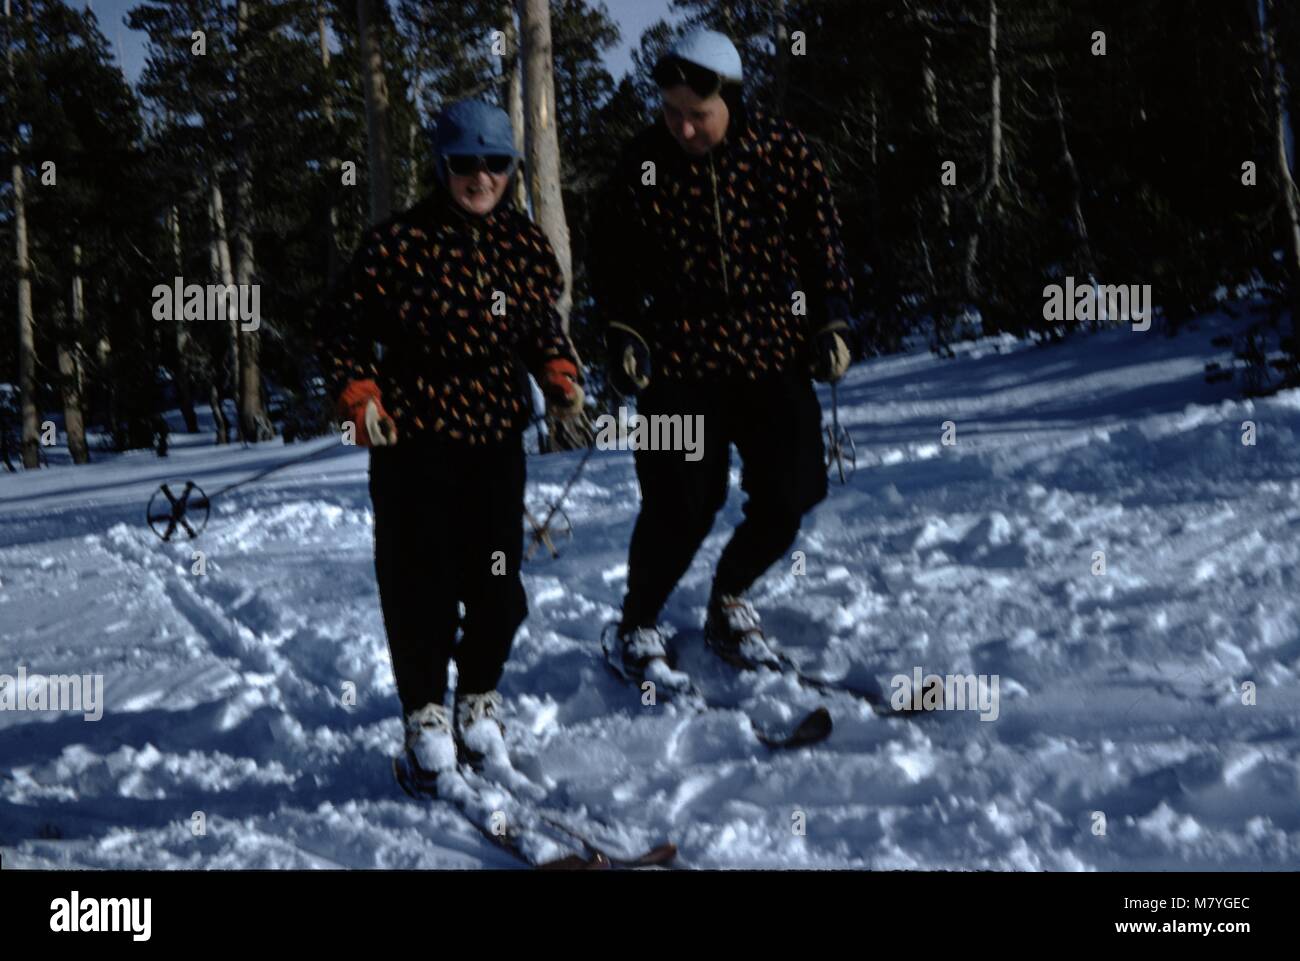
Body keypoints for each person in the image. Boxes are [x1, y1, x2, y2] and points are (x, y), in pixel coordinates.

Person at [317, 100, 584, 790]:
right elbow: (339, 328)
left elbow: (539, 327)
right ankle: (426, 717)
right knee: (419, 583)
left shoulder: (525, 245)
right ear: (443, 165)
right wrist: (358, 393)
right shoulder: (396, 243)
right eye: (466, 163)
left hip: (495, 431)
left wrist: (557, 371)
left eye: (496, 163)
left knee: (497, 583)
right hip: (415, 433)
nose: (481, 177)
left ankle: (479, 700)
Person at [591, 29, 854, 685]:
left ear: (730, 99)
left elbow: (822, 243)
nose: (683, 127)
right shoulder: (642, 163)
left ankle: (729, 595)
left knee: (794, 489)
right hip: (678, 356)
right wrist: (623, 331)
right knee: (681, 499)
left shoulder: (781, 150)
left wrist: (832, 320)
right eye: (671, 111)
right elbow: (611, 259)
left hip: (770, 347)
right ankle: (638, 621)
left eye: (697, 114)